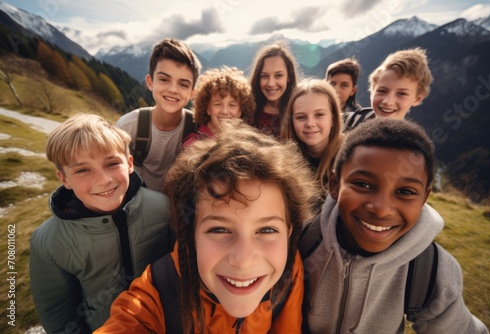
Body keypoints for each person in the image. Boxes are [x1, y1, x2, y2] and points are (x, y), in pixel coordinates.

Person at [95, 119, 322, 333]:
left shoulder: (290, 268)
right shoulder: (160, 288)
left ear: (288, 232)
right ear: (191, 233)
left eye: (267, 230)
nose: (243, 261)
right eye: (219, 229)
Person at [300, 117, 488, 333]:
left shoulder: (429, 269)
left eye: (405, 191)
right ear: (335, 184)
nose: (381, 209)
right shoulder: (304, 240)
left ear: (425, 198)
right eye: (362, 184)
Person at [29, 114, 172, 333]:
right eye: (83, 170)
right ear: (64, 178)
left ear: (130, 163)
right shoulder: (48, 242)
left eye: (112, 163)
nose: (103, 180)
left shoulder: (164, 209)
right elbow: (58, 312)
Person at [116, 38, 202, 191]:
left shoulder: (198, 126)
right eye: (164, 79)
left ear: (192, 93)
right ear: (150, 82)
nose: (173, 90)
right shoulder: (128, 127)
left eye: (183, 84)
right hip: (136, 205)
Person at [343, 47, 433, 131]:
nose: (388, 101)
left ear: (417, 99)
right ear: (372, 91)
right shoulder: (350, 120)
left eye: (402, 94)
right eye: (382, 91)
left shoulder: (408, 146)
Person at [281, 78, 343, 193]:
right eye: (301, 117)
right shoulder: (286, 161)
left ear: (333, 119)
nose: (310, 123)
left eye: (319, 114)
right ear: (292, 122)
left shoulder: (349, 157)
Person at [182, 66, 255, 146]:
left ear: (240, 110)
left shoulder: (247, 141)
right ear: (207, 108)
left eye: (232, 105)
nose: (224, 111)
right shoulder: (193, 145)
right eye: (217, 104)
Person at [249, 42, 299, 138]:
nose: (271, 83)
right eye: (264, 76)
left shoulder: (299, 109)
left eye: (278, 75)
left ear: (289, 76)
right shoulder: (248, 111)